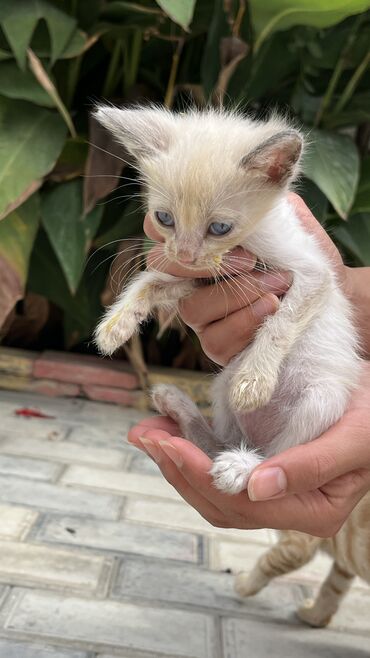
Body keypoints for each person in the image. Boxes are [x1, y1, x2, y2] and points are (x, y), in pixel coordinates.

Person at [128, 193, 370, 538]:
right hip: (258, 388)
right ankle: (205, 433)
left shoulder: (265, 214)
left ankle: (262, 462)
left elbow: (318, 277)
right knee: (233, 378)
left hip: (305, 387)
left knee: (323, 397)